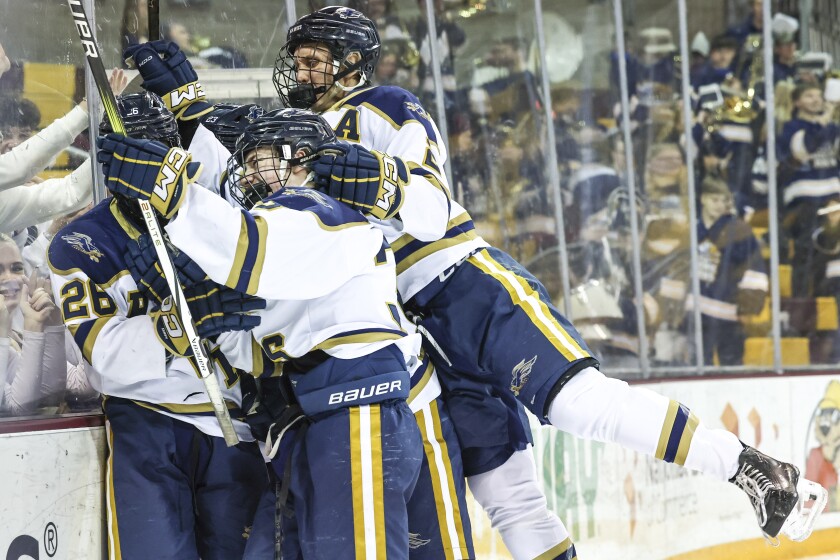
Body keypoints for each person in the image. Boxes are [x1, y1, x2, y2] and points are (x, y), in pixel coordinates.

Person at [132, 12, 825, 556]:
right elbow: (254, 179)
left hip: (461, 285)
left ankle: (752, 469)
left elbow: (431, 208)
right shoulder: (303, 130)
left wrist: (380, 181)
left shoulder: (383, 106)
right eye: (299, 59)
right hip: (408, 333)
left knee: (581, 405)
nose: (300, 70)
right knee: (505, 492)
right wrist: (190, 110)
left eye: (315, 59)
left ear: (350, 64)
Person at [97, 108, 434, 559]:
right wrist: (197, 305)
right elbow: (254, 347)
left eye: (259, 160)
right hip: (310, 422)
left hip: (359, 419)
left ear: (302, 158)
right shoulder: (293, 232)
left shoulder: (315, 209)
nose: (250, 174)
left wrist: (171, 191)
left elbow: (245, 246)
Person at [47, 92, 269, 560]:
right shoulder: (80, 243)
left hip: (232, 424)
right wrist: (171, 327)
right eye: (132, 156)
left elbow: (261, 322)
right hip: (146, 423)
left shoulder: (217, 221)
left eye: (157, 155)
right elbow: (100, 351)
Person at [695, 177, 768, 365]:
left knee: (732, 368)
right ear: (703, 199)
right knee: (697, 367)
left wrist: (747, 307)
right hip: (696, 315)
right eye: (714, 200)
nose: (720, 205)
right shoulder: (693, 230)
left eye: (724, 200)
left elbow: (755, 271)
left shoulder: (739, 231)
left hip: (728, 315)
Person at [0, 234, 66, 415]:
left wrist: (50, 325)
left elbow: (49, 396)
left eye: (17, 268)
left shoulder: (11, 336)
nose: (9, 277)